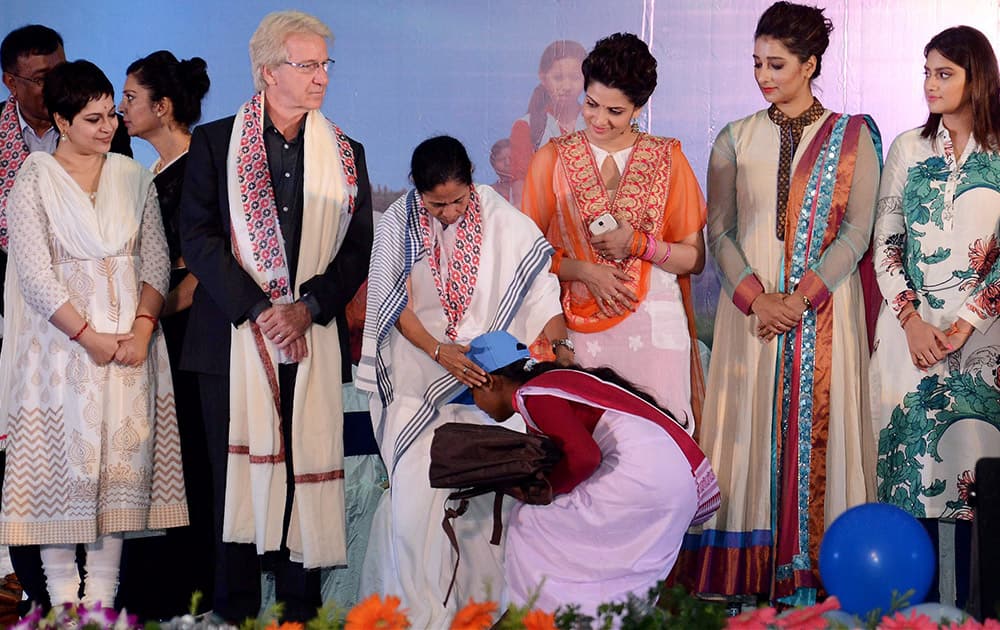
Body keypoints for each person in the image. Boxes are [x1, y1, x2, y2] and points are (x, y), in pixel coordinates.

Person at [682, 1, 880, 606]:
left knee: (825, 431)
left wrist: (800, 298)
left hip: (823, 313)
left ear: (810, 63)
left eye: (776, 64)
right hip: (753, 319)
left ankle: (820, 580)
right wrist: (756, 300)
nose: (763, 75)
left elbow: (857, 230)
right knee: (747, 432)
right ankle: (747, 582)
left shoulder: (854, 136)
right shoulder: (733, 138)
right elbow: (720, 231)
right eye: (756, 63)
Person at [179, 10, 373, 623]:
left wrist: (309, 306)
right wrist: (262, 309)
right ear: (268, 72)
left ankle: (298, 608)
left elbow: (358, 247)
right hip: (232, 337)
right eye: (306, 64)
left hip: (310, 337)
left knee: (304, 466)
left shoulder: (345, 153)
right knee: (230, 478)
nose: (320, 77)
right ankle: (233, 608)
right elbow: (199, 236)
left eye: (324, 65)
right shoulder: (214, 143)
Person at [357, 136, 569, 627]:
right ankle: (415, 614)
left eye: (458, 200)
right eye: (437, 204)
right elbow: (392, 307)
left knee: (490, 509)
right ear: (417, 191)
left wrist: (562, 352)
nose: (450, 212)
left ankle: (482, 614)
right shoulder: (397, 225)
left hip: (489, 386)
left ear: (471, 183)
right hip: (420, 376)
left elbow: (540, 290)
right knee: (414, 507)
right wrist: (439, 351)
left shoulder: (501, 220)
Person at [0, 59, 186, 608]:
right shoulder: (32, 181)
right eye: (92, 118)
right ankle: (61, 608)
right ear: (60, 120)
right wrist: (88, 336)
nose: (108, 127)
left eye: (111, 114)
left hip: (131, 348)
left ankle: (102, 609)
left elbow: (155, 257)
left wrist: (142, 328)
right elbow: (34, 274)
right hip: (62, 353)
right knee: (63, 480)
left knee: (118, 483)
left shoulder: (131, 176)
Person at [0, 25, 133, 610]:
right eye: (38, 77)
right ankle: (31, 591)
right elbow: (28, 264)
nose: (52, 81)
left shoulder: (113, 148)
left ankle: (95, 609)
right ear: (11, 82)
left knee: (103, 467)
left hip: (104, 325)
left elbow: (127, 233)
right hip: (27, 319)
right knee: (36, 461)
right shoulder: (12, 152)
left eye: (59, 68)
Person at [870, 25, 1000, 608]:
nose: (930, 84)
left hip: (983, 343)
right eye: (926, 71)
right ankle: (911, 614)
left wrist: (967, 323)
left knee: (978, 479)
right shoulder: (907, 149)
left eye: (944, 73)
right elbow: (886, 242)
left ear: (979, 78)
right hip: (911, 339)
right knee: (911, 474)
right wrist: (912, 321)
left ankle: (976, 612)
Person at [460, 330, 719, 618]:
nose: (476, 404)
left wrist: (544, 490)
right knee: (616, 574)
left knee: (531, 522)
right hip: (682, 485)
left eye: (472, 393)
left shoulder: (533, 393)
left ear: (491, 382)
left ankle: (542, 618)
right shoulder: (561, 382)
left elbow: (584, 457)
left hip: (643, 477)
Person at [521, 32, 706, 431]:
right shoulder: (551, 158)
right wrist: (585, 271)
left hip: (655, 324)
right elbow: (528, 256)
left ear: (639, 107)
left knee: (661, 438)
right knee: (591, 445)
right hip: (580, 329)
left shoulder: (667, 156)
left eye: (615, 111)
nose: (599, 119)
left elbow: (694, 257)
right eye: (591, 104)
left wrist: (637, 243)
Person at [114, 50, 213, 619]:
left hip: (189, 338)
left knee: (193, 470)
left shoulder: (203, 165)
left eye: (130, 98)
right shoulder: (145, 172)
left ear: (163, 105)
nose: (121, 109)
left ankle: (191, 597)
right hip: (155, 335)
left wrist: (150, 314)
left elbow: (205, 265)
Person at [508, 40, 587, 194]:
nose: (566, 86)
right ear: (543, 78)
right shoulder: (526, 126)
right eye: (558, 78)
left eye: (575, 78)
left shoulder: (597, 123)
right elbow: (520, 190)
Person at [488, 138, 519, 206]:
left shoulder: (530, 187)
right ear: (493, 163)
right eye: (501, 159)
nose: (507, 163)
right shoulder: (489, 192)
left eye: (511, 158)